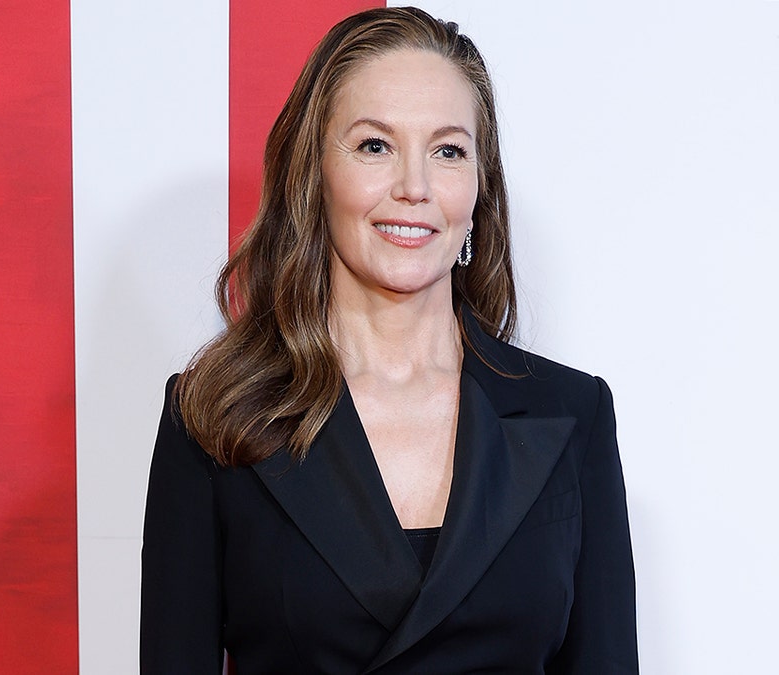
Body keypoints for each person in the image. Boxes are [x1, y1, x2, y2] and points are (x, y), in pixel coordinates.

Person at [141, 7, 637, 673]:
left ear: (479, 186)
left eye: (448, 150)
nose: (414, 187)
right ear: (313, 174)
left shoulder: (572, 414)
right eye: (375, 145)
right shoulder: (214, 415)